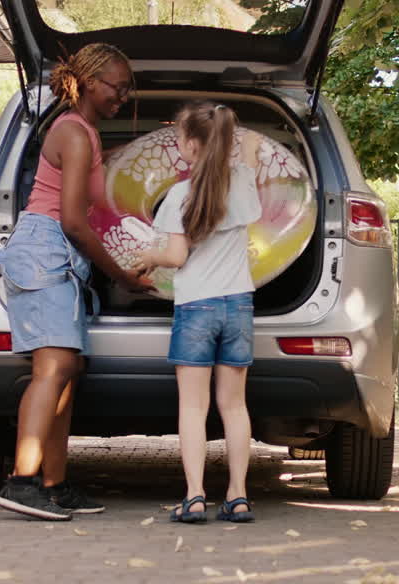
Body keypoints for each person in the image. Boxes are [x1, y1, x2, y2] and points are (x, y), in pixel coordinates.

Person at [0, 43, 152, 520]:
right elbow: (73, 223)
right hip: (46, 251)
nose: (122, 97)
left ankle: (55, 484)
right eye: (116, 87)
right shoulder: (74, 133)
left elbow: (99, 194)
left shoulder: (86, 134)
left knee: (67, 373)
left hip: (58, 259)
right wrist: (120, 275)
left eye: (127, 89)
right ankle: (22, 483)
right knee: (52, 370)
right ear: (88, 80)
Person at [137, 101, 262, 523]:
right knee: (234, 406)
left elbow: (175, 256)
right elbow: (254, 144)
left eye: (179, 140)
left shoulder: (178, 195)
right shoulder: (243, 182)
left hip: (196, 308)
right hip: (239, 305)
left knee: (193, 408)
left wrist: (148, 256)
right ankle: (238, 496)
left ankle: (194, 497)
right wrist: (233, 138)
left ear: (192, 146)